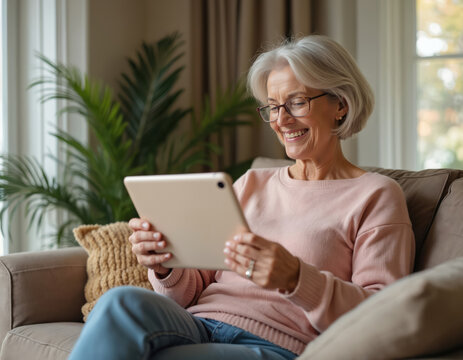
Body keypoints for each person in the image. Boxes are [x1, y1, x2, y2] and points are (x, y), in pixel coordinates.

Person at [69, 35, 415, 360]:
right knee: (119, 302)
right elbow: (188, 292)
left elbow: (382, 318)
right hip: (198, 325)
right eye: (272, 106)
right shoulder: (251, 183)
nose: (281, 120)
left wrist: (296, 278)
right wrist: (165, 265)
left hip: (276, 344)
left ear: (341, 104)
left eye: (297, 102)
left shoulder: (376, 195)